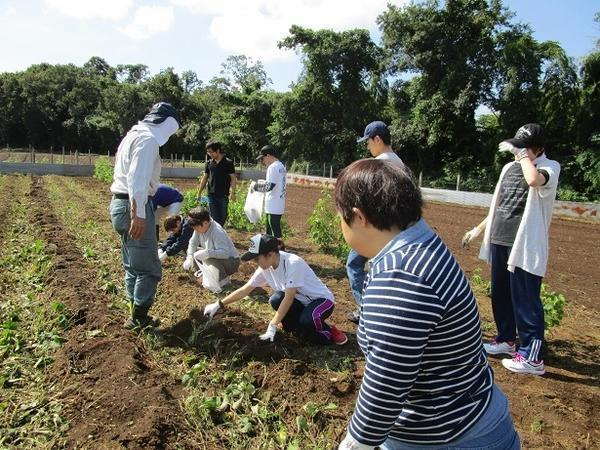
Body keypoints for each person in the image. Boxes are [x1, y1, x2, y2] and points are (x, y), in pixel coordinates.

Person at [335, 159, 520, 450]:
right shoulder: (423, 245)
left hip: (450, 435)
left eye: (341, 217)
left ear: (359, 217)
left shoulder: (401, 276)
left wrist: (354, 443)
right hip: (471, 414)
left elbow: (387, 386)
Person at [462, 123, 560, 376]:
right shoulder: (508, 168)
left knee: (526, 300)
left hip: (525, 244)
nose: (517, 153)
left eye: (524, 148)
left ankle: (532, 357)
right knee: (501, 294)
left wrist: (524, 156)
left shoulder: (549, 167)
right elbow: (498, 203)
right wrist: (479, 229)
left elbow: (533, 180)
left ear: (538, 148)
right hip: (501, 239)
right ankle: (506, 340)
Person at [109, 102, 182, 330]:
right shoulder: (148, 139)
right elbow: (137, 179)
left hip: (120, 204)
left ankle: (134, 312)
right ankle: (139, 319)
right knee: (149, 268)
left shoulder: (133, 135)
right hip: (133, 206)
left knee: (133, 266)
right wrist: (138, 214)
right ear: (167, 124)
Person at [203, 234, 348, 345]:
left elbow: (289, 297)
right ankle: (302, 327)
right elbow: (246, 289)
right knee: (276, 300)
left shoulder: (293, 263)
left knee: (308, 322)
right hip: (300, 302)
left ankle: (329, 332)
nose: (255, 263)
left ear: (271, 254)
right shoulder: (265, 267)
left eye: (256, 259)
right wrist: (219, 304)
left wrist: (272, 325)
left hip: (320, 301)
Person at [346, 121, 406, 324]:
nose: (367, 146)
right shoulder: (400, 164)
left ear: (378, 139)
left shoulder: (380, 165)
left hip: (376, 229)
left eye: (368, 142)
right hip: (397, 229)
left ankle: (366, 310)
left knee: (354, 264)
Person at [182, 207, 240, 289]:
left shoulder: (217, 231)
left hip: (231, 262)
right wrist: (189, 258)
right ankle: (202, 274)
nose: (196, 230)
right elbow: (193, 243)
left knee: (208, 257)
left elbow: (225, 253)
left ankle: (223, 281)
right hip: (217, 257)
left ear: (205, 223)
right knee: (196, 252)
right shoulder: (200, 227)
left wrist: (207, 253)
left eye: (197, 228)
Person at [196, 141, 236, 226]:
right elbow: (205, 178)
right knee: (214, 219)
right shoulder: (209, 163)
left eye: (211, 152)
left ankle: (219, 234)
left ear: (217, 151)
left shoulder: (228, 162)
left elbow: (233, 178)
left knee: (223, 217)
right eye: (208, 152)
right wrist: (199, 193)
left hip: (223, 195)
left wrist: (233, 192)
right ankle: (216, 236)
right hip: (211, 195)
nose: (209, 154)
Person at [254, 145, 286, 238]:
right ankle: (272, 249)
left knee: (273, 230)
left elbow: (269, 187)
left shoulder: (272, 167)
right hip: (279, 202)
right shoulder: (281, 166)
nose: (262, 161)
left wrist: (256, 187)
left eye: (263, 158)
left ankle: (279, 249)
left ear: (268, 156)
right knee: (273, 229)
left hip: (273, 204)